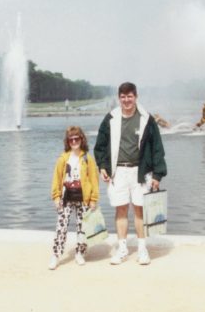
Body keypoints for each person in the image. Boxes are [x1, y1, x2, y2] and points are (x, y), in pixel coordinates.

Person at [94, 82, 167, 265]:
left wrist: (158, 175)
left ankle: (142, 249)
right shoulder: (110, 118)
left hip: (140, 172)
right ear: (119, 98)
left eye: (130, 96)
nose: (126, 100)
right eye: (123, 97)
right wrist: (103, 166)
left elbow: (157, 148)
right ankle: (122, 248)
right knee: (121, 209)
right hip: (118, 171)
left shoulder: (146, 119)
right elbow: (100, 146)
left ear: (136, 97)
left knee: (140, 210)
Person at [49, 126, 100, 270]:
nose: (74, 142)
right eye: (71, 140)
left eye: (76, 138)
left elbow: (94, 180)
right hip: (66, 197)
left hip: (83, 197)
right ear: (67, 142)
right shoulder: (62, 159)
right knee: (61, 227)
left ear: (81, 139)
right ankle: (56, 255)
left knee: (82, 227)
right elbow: (56, 178)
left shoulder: (88, 159)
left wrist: (94, 199)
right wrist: (56, 196)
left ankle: (80, 253)